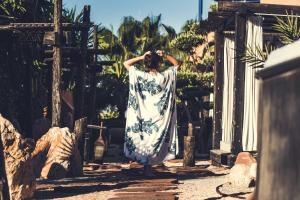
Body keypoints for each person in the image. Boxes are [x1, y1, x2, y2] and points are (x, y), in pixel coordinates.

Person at [123, 50, 181, 176]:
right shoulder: (165, 77)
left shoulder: (140, 76)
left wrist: (141, 56)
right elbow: (177, 65)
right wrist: (165, 55)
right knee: (155, 137)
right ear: (159, 64)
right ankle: (148, 168)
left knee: (146, 139)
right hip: (160, 117)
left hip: (143, 116)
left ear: (146, 64)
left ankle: (147, 167)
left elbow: (126, 63)